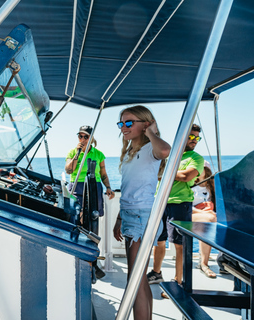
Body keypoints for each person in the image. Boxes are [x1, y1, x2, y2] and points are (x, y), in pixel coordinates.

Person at [113, 105, 171, 320]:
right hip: (130, 214)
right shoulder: (130, 151)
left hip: (141, 216)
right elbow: (128, 187)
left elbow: (165, 151)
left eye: (129, 122)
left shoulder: (149, 150)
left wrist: (151, 133)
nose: (124, 127)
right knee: (137, 278)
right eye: (121, 123)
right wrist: (119, 217)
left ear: (145, 124)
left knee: (135, 278)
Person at [147, 124, 205, 293]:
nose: (194, 140)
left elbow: (188, 176)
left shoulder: (196, 158)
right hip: (161, 202)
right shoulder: (170, 155)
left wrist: (167, 171)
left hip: (180, 204)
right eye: (191, 136)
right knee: (159, 240)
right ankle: (156, 273)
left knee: (180, 245)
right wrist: (171, 173)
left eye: (196, 138)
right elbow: (156, 173)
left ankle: (178, 281)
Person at [65, 125, 115, 216]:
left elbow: (103, 174)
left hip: (94, 186)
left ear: (91, 138)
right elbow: (69, 170)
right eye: (80, 136)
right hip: (77, 186)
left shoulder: (99, 154)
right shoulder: (72, 152)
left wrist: (108, 187)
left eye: (86, 137)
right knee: (75, 213)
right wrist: (77, 153)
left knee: (93, 215)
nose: (83, 139)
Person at [192, 163, 217, 278]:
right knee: (208, 222)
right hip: (193, 214)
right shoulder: (191, 187)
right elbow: (187, 206)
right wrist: (204, 212)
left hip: (209, 215)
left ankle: (226, 259)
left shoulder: (211, 187)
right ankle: (204, 263)